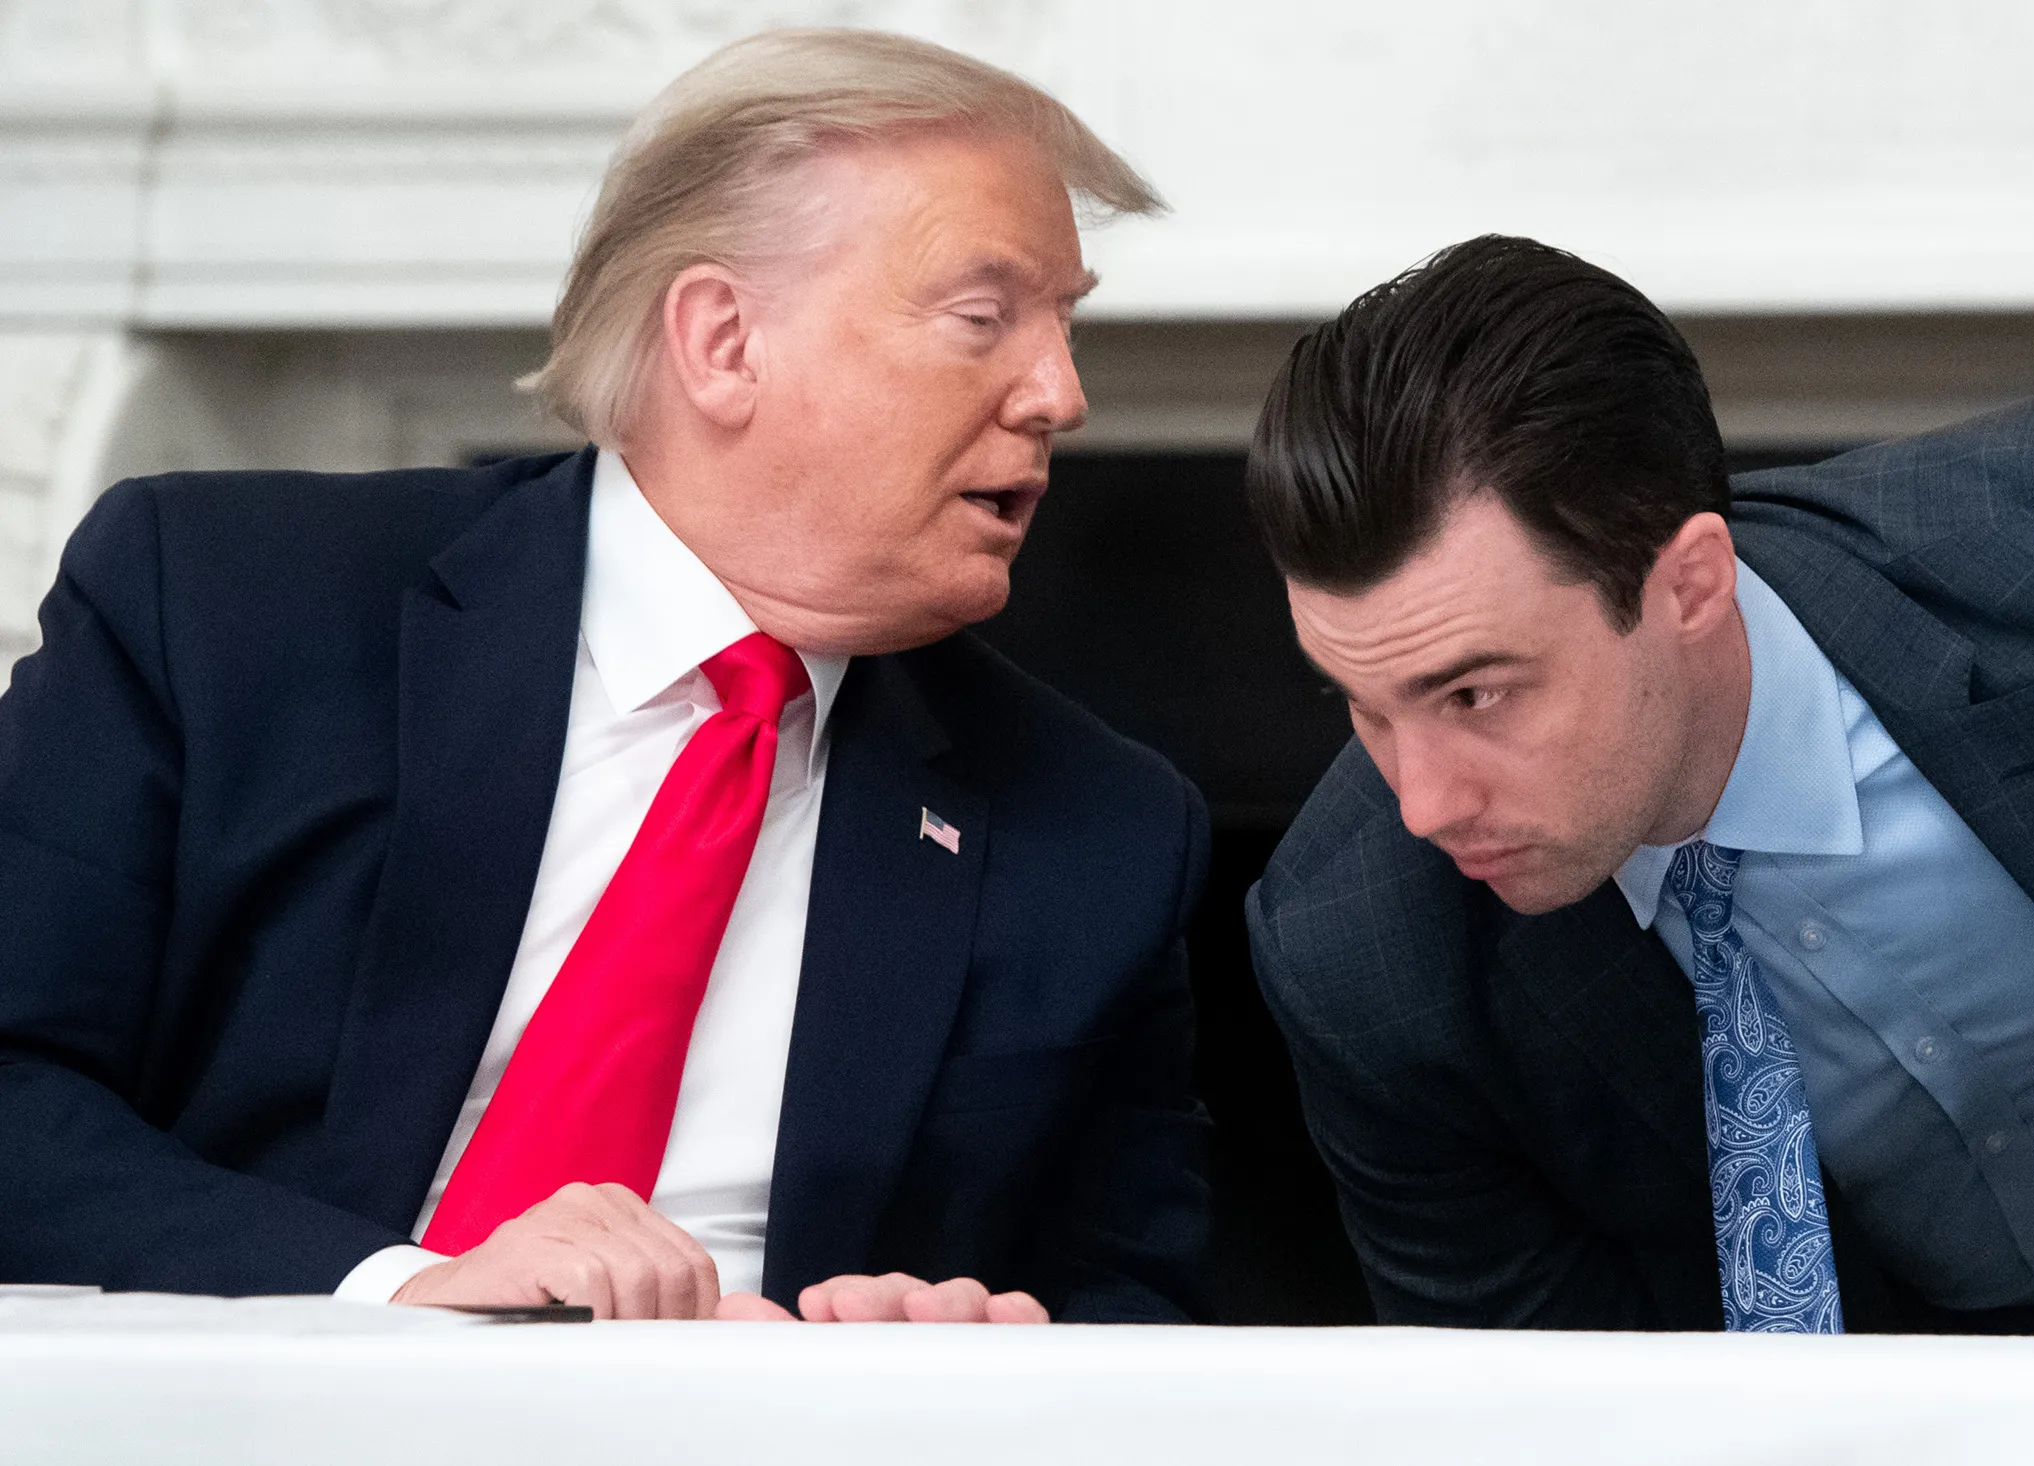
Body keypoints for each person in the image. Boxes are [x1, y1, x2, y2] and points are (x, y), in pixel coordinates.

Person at [0, 29, 1210, 1325]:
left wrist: (977, 1351)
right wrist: (402, 1289)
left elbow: (1130, 1303)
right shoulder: (230, 602)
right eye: (985, 319)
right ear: (723, 340)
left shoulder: (1101, 827)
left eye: (1064, 325)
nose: (1061, 394)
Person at [1242, 233, 2034, 1335]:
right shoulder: (1359, 951)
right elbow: (1534, 1412)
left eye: (1475, 696)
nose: (1423, 803)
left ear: (1691, 582)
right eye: (1363, 706)